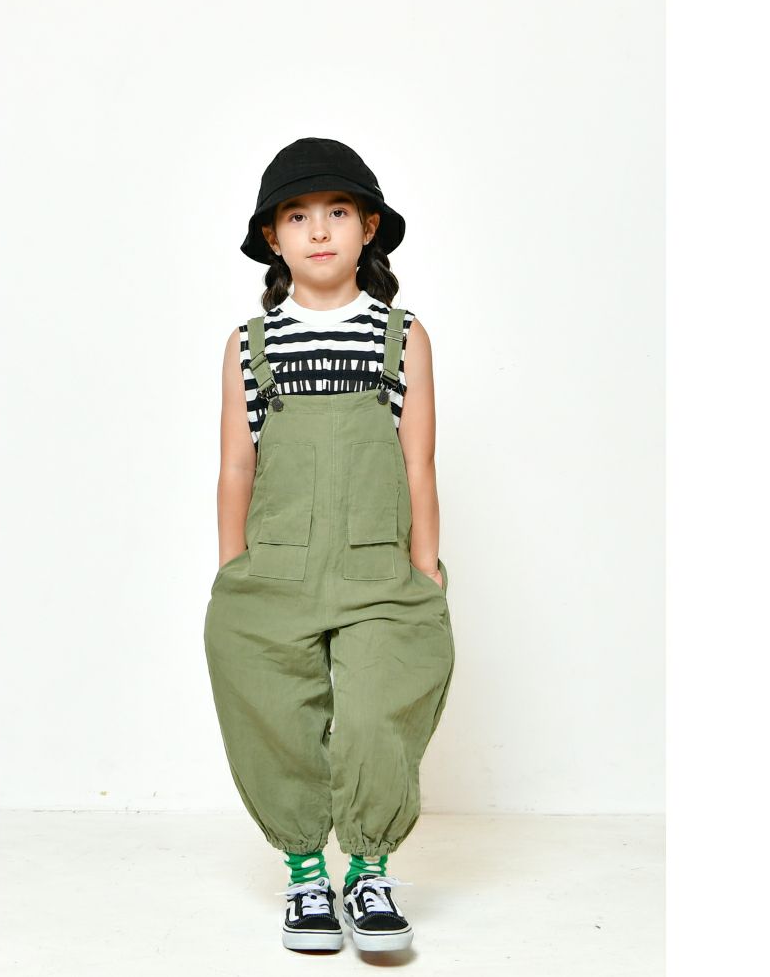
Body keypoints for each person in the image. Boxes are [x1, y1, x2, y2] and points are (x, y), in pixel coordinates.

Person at [203, 137, 456, 954]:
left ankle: (370, 869)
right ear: (272, 238)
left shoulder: (401, 336)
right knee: (272, 713)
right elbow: (236, 467)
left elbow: (418, 464)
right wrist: (233, 573)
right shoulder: (251, 344)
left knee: (380, 713)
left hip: (379, 564)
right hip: (273, 568)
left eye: (338, 212)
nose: (319, 230)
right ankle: (306, 871)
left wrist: (424, 571)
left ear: (368, 228)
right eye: (297, 216)